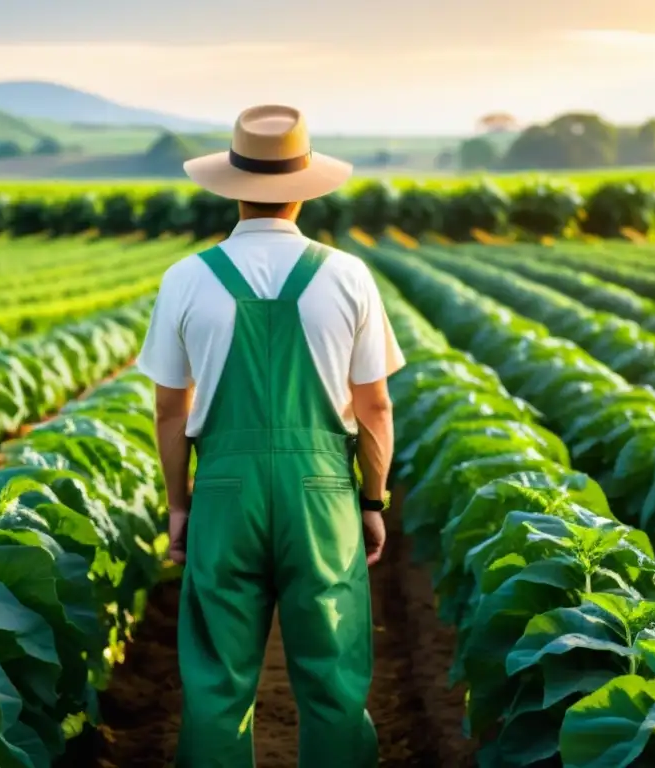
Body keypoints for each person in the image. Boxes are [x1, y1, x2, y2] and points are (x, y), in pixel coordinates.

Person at [136, 103, 405, 767]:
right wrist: (371, 502)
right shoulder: (347, 276)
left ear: (232, 184)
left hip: (225, 489)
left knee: (217, 684)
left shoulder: (186, 278)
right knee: (334, 680)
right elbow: (375, 408)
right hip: (320, 494)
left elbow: (170, 411)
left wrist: (180, 505)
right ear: (303, 188)